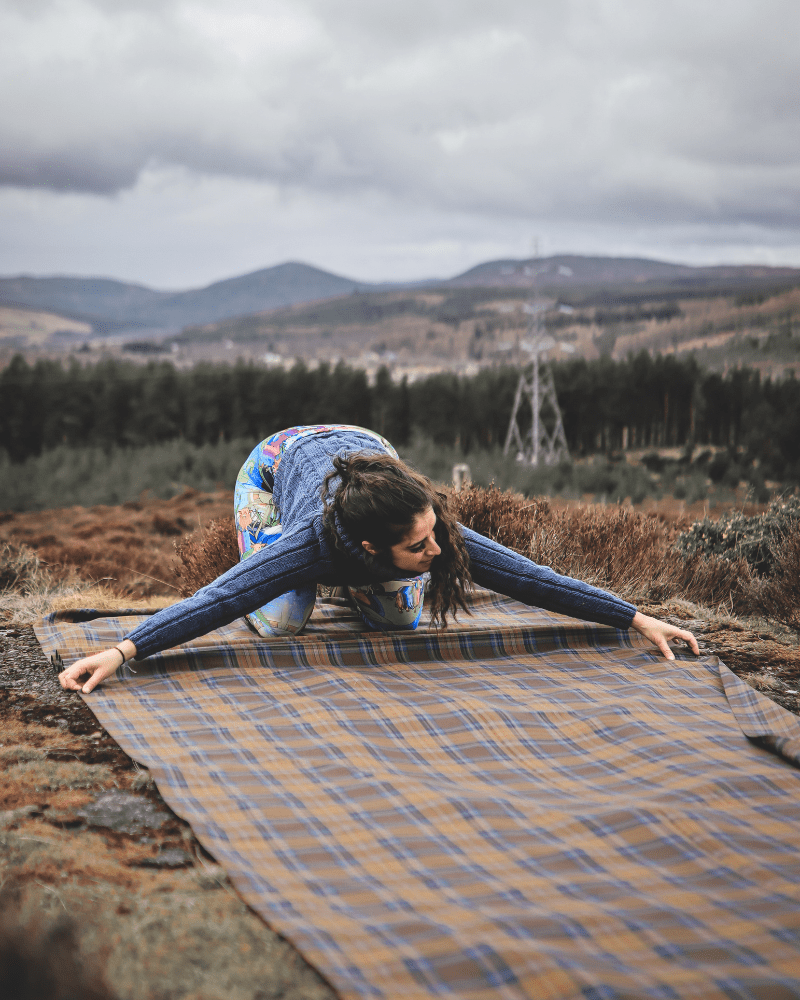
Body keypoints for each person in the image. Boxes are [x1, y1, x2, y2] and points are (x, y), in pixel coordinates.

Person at [59, 424, 698, 694]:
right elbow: (219, 599)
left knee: (399, 622)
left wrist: (635, 618)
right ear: (367, 546)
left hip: (369, 455)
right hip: (276, 463)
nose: (438, 551)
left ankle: (375, 587)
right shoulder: (310, 540)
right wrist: (122, 652)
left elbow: (530, 578)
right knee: (282, 618)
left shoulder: (427, 523)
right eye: (419, 548)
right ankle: (331, 582)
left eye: (433, 535)